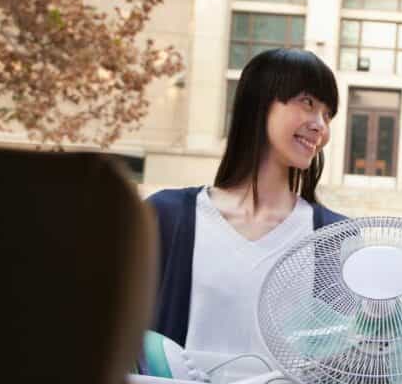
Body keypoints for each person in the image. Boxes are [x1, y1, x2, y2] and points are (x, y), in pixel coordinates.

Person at [147, 48, 346, 360]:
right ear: (260, 102)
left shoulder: (335, 236)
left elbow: (352, 361)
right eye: (308, 103)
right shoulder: (167, 216)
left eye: (328, 114)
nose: (321, 126)